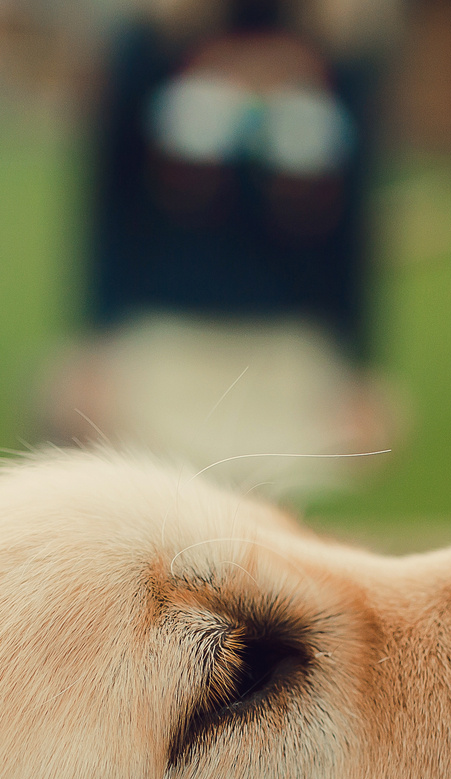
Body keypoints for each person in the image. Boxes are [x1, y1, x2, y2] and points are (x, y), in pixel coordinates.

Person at [38, 0, 397, 496]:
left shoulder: (341, 58)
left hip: (285, 355)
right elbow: (110, 205)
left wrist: (361, 366)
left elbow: (351, 227)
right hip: (167, 343)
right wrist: (93, 342)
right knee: (163, 537)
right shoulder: (151, 47)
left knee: (253, 547)